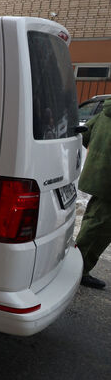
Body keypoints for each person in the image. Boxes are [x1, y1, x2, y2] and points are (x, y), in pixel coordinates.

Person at [76, 97, 111, 289]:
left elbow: (84, 133)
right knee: (98, 228)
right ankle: (78, 271)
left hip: (99, 178)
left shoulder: (104, 112)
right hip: (107, 185)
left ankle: (79, 268)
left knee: (94, 223)